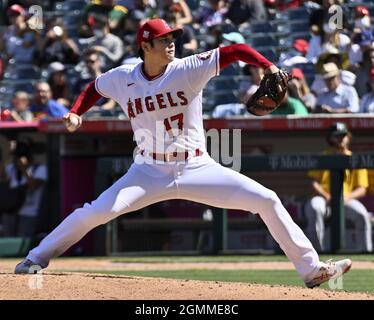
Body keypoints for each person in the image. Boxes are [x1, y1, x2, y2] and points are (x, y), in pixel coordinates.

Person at [15, 18, 352, 288]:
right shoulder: (123, 77)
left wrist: (265, 64)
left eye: (172, 37)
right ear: (145, 46)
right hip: (147, 171)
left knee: (266, 199)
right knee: (94, 212)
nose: (171, 42)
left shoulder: (188, 67)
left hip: (196, 166)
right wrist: (77, 111)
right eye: (163, 39)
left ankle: (311, 270)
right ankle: (35, 258)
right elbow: (93, 87)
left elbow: (234, 50)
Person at [305, 123, 373, 253]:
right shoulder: (323, 156)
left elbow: (362, 189)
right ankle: (316, 253)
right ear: (330, 138)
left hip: (346, 199)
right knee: (314, 207)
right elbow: (313, 182)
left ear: (348, 137)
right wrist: (328, 196)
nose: (340, 139)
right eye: (337, 136)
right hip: (324, 198)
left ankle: (365, 252)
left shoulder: (355, 158)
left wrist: (345, 198)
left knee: (362, 214)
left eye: (343, 135)